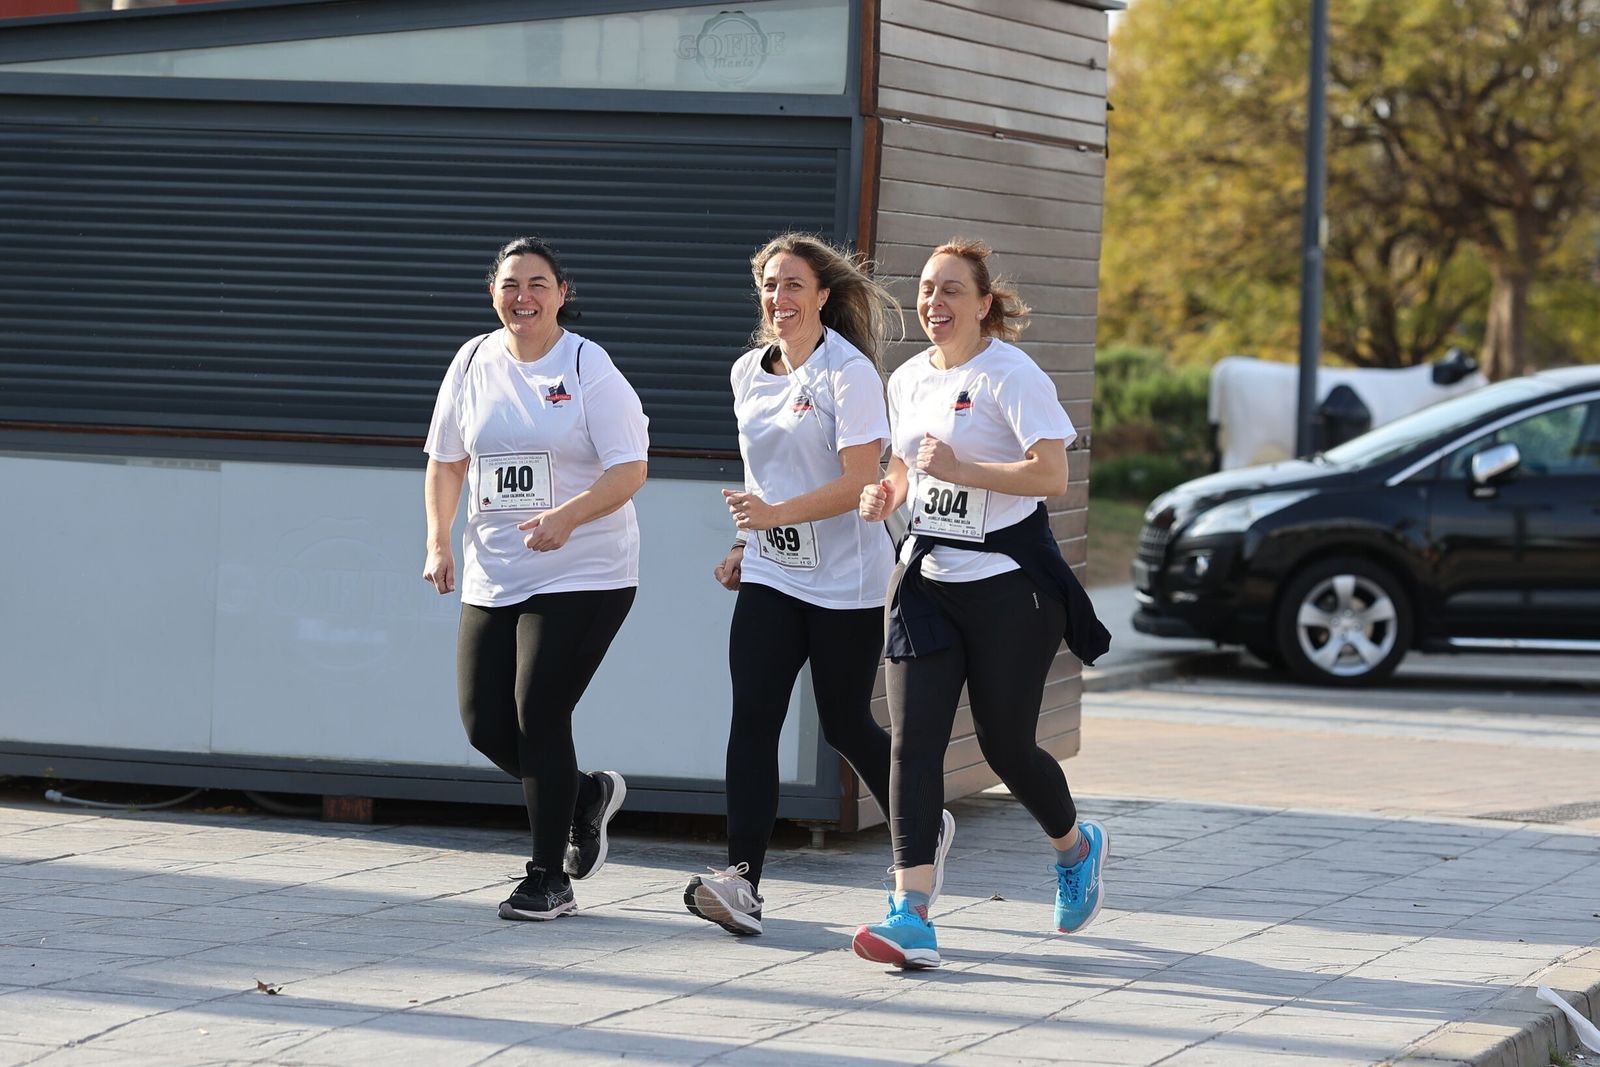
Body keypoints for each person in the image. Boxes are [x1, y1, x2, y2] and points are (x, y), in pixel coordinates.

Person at [683, 233, 954, 937]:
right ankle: (741, 880)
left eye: (794, 285)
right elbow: (761, 474)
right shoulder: (748, 371)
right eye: (770, 285)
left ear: (824, 295)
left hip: (847, 580)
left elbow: (860, 480)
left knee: (841, 721)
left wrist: (773, 516)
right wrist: (748, 539)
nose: (780, 298)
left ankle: (919, 820)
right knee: (754, 718)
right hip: (775, 571)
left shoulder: (849, 372)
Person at [853, 239, 1112, 969]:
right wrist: (887, 494)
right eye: (927, 290)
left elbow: (1052, 474)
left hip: (1010, 585)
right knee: (913, 742)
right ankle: (912, 910)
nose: (935, 304)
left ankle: (1073, 844)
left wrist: (966, 467)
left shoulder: (1009, 373)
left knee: (1005, 743)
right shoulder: (906, 379)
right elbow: (905, 465)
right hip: (928, 578)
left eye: (952, 291)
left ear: (984, 302)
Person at [422, 236, 649, 922]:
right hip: (497, 567)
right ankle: (581, 795)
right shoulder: (470, 360)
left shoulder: (587, 365)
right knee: (484, 723)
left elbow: (630, 467)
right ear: (494, 292)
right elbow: (446, 460)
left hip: (586, 567)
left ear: (562, 293)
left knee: (539, 709)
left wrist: (569, 518)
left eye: (539, 284)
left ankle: (548, 877)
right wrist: (438, 539)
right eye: (511, 284)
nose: (524, 296)